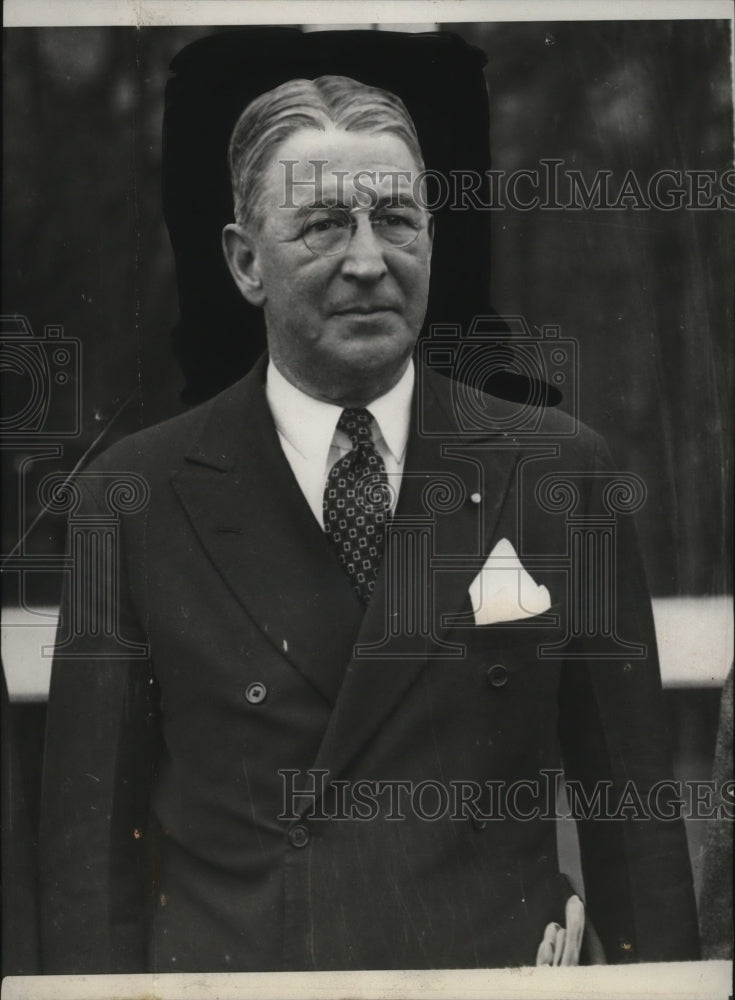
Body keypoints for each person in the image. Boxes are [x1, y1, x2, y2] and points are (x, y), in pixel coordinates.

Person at [39, 74, 700, 974]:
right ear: (243, 262)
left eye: (395, 220)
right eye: (320, 225)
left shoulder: (556, 471)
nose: (366, 259)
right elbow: (90, 861)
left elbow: (633, 825)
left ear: (431, 238)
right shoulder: (132, 497)